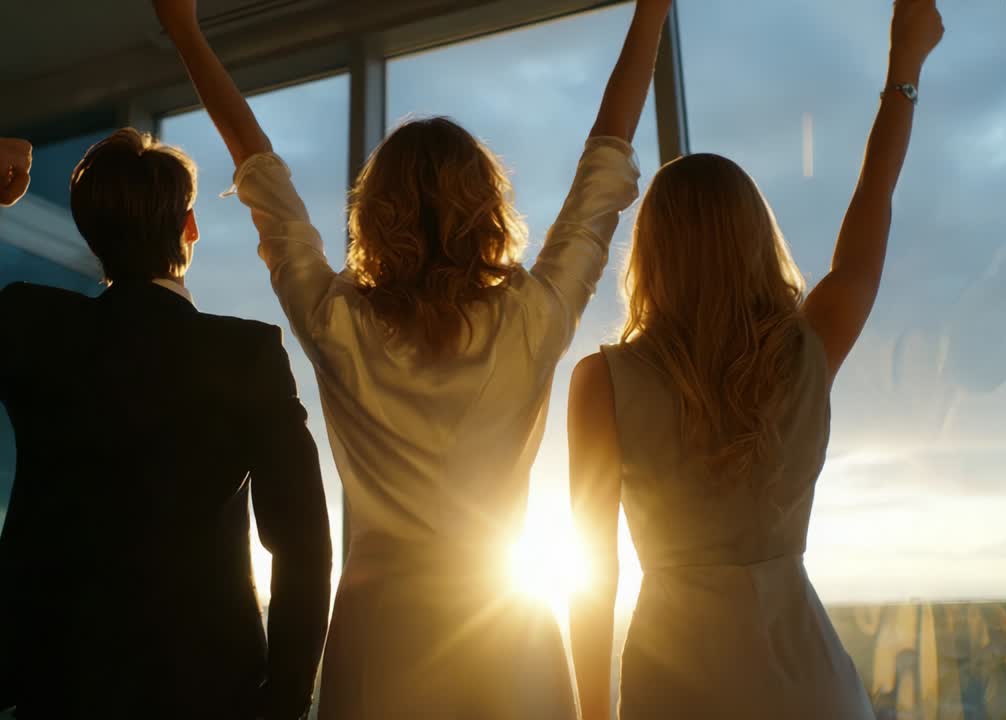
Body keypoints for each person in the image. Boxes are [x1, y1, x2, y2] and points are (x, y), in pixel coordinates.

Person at [154, 0, 668, 715]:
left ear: (376, 212)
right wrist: (651, 12)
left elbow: (259, 173)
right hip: (510, 640)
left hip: (380, 641)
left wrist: (185, 31)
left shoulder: (339, 324)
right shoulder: (531, 321)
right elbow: (605, 168)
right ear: (487, 207)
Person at [0, 130, 332, 719]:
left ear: (91, 235)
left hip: (59, 681)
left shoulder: (38, 327)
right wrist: (285, 700)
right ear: (190, 226)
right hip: (208, 686)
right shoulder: (246, 354)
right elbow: (303, 544)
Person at [566, 0, 946, 718]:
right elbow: (875, 201)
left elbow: (595, 577)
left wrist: (592, 714)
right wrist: (905, 69)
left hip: (675, 687)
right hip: (810, 685)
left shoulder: (604, 383)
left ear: (650, 258)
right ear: (754, 241)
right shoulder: (808, 348)